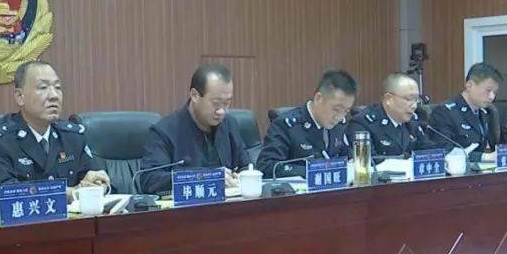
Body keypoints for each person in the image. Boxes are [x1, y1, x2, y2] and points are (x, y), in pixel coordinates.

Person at [0, 61, 109, 206]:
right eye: (43, 87)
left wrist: (99, 186)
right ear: (20, 96)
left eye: (58, 87)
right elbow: (6, 193)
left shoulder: (72, 136)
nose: (54, 95)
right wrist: (70, 194)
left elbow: (95, 179)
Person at [139, 63, 250, 194]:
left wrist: (242, 177)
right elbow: (149, 179)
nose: (221, 111)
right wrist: (206, 177)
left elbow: (246, 166)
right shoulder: (164, 131)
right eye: (216, 103)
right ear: (194, 95)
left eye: (227, 103)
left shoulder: (229, 124)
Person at [256, 70, 356, 178]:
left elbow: (348, 159)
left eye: (346, 111)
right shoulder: (286, 125)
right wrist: (312, 171)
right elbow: (266, 166)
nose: (339, 117)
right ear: (318, 99)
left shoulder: (339, 126)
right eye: (336, 109)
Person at [427, 62, 502, 162]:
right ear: (469, 85)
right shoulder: (444, 113)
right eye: (488, 90)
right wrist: (484, 157)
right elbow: (444, 151)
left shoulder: (488, 112)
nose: (492, 97)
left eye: (494, 93)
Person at [348, 73, 432, 158]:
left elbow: (427, 150)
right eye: (409, 99)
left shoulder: (413, 120)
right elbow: (367, 160)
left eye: (416, 99)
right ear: (389, 99)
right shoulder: (363, 123)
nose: (414, 106)